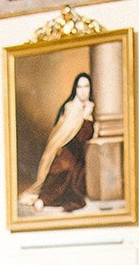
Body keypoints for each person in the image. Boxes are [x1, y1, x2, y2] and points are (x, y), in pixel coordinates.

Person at [22, 73, 95, 212]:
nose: (83, 91)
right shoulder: (70, 107)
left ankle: (45, 199)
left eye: (86, 86)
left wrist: (87, 115)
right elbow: (64, 135)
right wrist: (85, 116)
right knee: (62, 170)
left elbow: (85, 136)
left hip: (80, 155)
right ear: (75, 89)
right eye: (79, 87)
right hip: (66, 150)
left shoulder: (90, 108)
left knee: (75, 181)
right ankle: (43, 199)